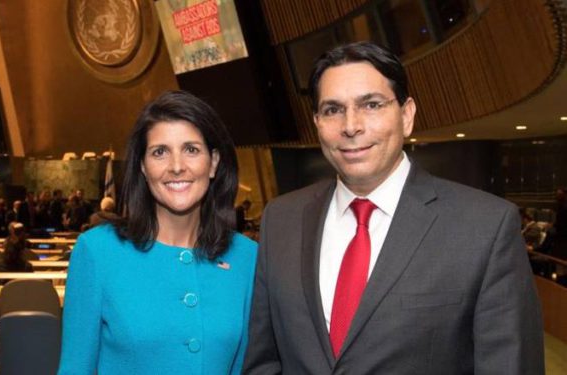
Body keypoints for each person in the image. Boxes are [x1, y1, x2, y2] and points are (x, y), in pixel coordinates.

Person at [243, 42, 543, 374]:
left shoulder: (485, 227)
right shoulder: (282, 219)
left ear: (406, 115)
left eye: (370, 104)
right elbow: (263, 361)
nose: (351, 125)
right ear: (317, 122)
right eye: (332, 110)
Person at [58, 91, 257, 374]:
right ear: (142, 165)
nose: (176, 166)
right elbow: (75, 368)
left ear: (213, 163)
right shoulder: (97, 251)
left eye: (191, 149)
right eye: (159, 152)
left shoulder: (247, 257)